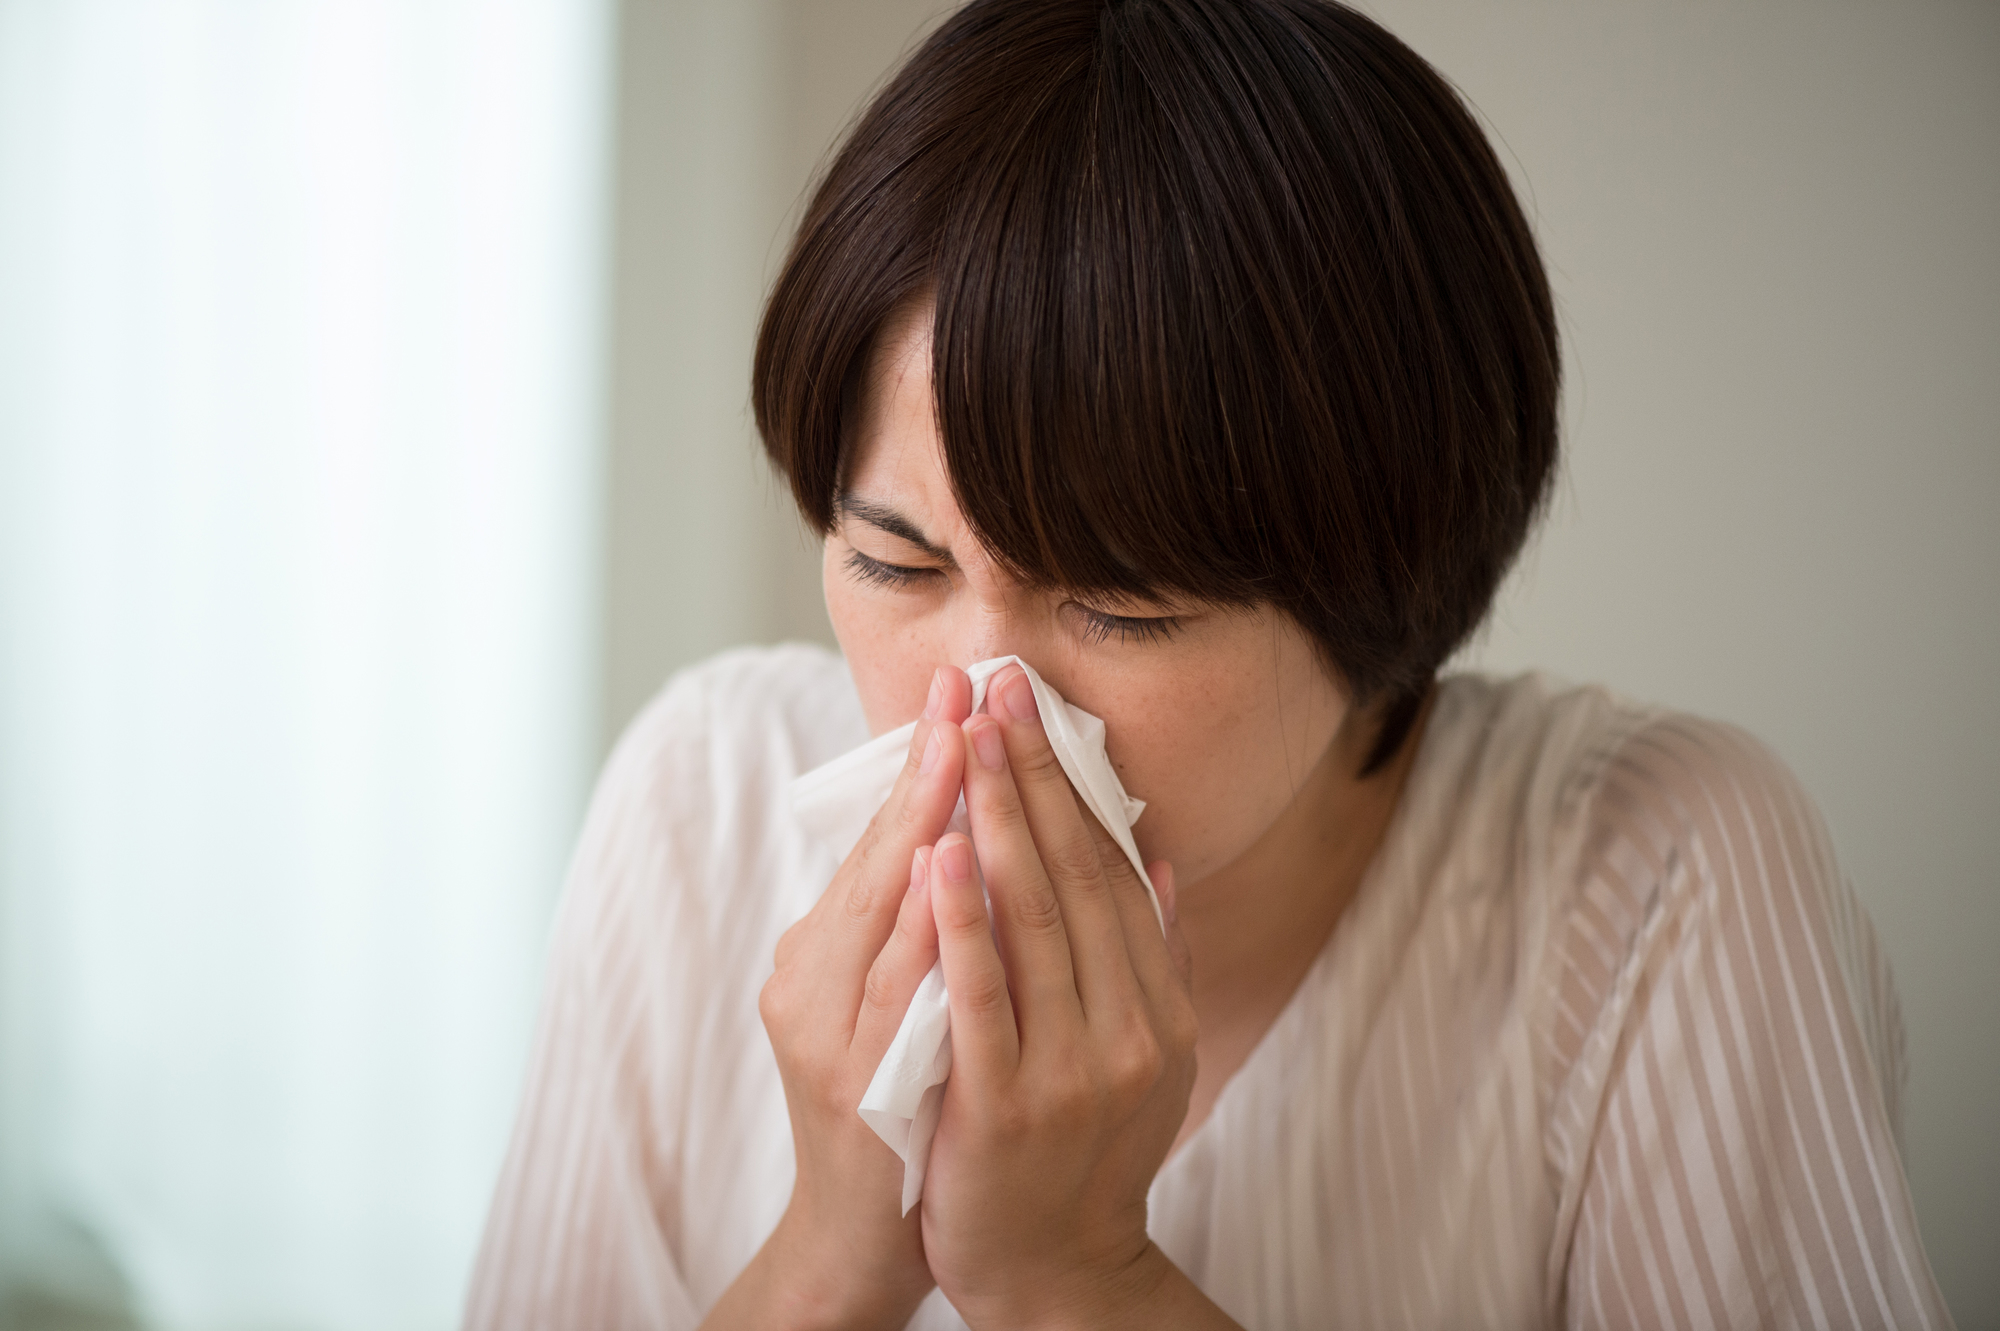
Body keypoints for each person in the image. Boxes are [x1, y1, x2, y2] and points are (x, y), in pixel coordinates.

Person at [464, 1, 1950, 1326]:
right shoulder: (703, 799)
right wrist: (832, 1257)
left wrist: (1079, 1284)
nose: (977, 705)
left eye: (1120, 608)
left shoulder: (1654, 880)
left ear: (1390, 594)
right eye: (899, 565)